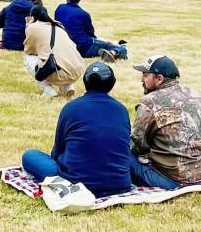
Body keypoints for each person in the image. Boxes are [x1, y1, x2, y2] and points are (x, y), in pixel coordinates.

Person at [20, 62, 133, 196]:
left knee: (30, 156)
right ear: (112, 83)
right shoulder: (122, 110)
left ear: (85, 82)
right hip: (119, 185)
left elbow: (57, 150)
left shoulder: (71, 108)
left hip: (75, 183)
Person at [129, 55, 201, 189]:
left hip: (178, 180)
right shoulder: (195, 94)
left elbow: (137, 146)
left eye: (145, 75)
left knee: (120, 152)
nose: (141, 80)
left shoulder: (150, 102)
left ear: (159, 79)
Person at [23, 5, 85, 99]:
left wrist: (28, 25)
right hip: (77, 70)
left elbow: (29, 50)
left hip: (57, 71)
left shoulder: (33, 27)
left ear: (32, 17)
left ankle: (48, 90)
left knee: (28, 58)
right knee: (61, 58)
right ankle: (67, 87)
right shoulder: (58, 25)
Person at [54, 0, 127, 62]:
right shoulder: (83, 14)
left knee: (105, 42)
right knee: (121, 48)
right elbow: (90, 33)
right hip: (83, 47)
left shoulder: (59, 8)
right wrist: (99, 41)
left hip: (65, 46)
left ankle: (110, 46)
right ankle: (113, 52)